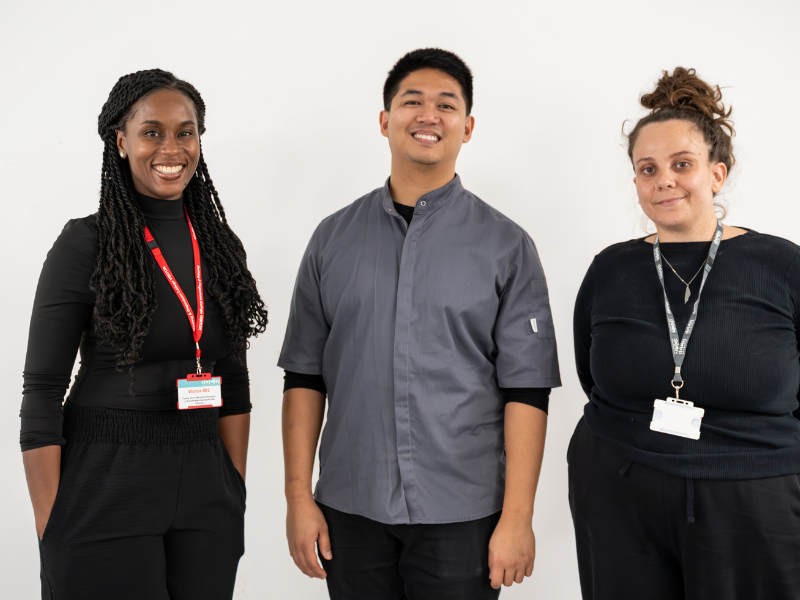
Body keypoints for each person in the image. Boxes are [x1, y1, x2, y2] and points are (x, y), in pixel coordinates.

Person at [279, 48, 561, 599]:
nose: (428, 116)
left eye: (446, 105)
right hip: (349, 507)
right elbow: (304, 377)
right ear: (385, 121)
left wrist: (517, 518)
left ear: (468, 127)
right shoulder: (331, 238)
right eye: (412, 102)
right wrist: (298, 499)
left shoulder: (508, 246)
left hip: (465, 514)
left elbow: (527, 389)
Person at [20, 69, 268, 600]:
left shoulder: (220, 246)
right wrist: (52, 523)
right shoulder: (86, 243)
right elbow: (40, 391)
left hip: (204, 479)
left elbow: (235, 381)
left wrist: (233, 489)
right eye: (152, 131)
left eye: (186, 132)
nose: (171, 147)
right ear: (121, 140)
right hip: (107, 474)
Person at [570, 67, 800, 600]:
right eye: (647, 169)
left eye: (682, 164)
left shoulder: (782, 265)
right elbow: (591, 373)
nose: (664, 180)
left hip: (755, 496)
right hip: (620, 488)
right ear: (635, 183)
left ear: (717, 175)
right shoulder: (611, 269)